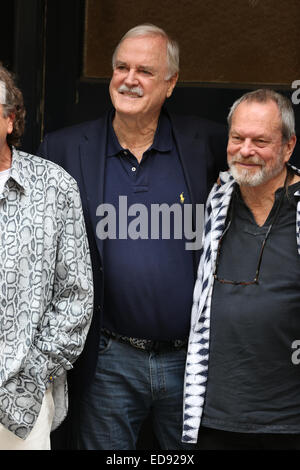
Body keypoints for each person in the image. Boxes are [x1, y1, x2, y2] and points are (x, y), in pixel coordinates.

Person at [37, 24, 227, 450]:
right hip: (108, 359)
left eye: (144, 70)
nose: (129, 79)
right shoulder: (64, 150)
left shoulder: (204, 143)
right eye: (121, 67)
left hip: (189, 360)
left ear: (171, 82)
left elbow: (266, 164)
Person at [182, 89, 300, 450]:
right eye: (238, 138)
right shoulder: (213, 202)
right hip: (214, 419)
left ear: (288, 146)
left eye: (260, 141)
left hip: (289, 423)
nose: (245, 150)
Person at [0, 63, 93, 450]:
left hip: (21, 402)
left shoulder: (53, 188)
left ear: (9, 119)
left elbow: (76, 296)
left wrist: (31, 374)